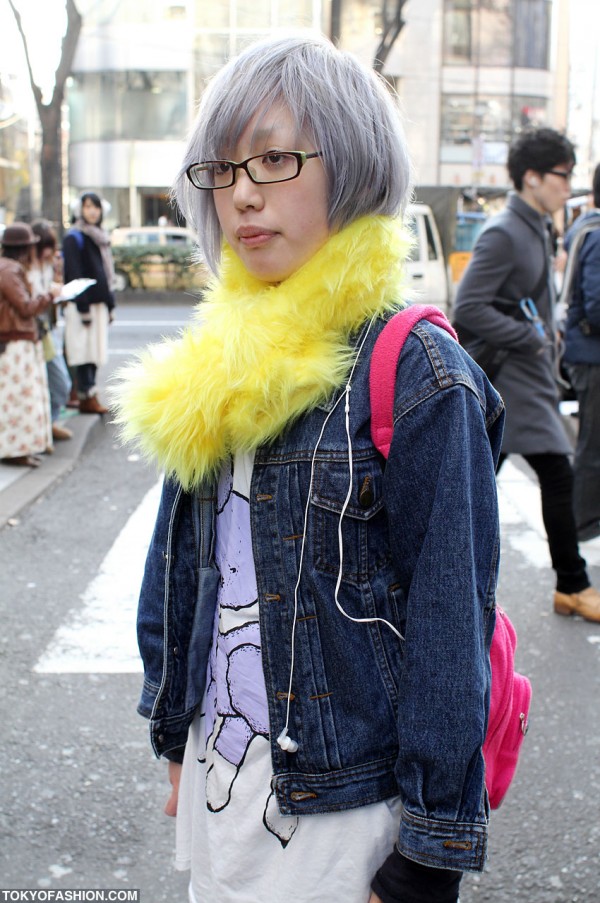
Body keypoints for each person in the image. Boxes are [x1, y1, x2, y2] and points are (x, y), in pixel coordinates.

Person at [113, 34, 504, 903]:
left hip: (345, 812)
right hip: (223, 795)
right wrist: (177, 737)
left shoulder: (417, 372)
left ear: (354, 168)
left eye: (276, 157)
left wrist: (430, 853)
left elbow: (451, 623)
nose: (242, 192)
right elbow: (183, 571)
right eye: (222, 168)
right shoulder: (219, 364)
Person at [453, 127, 600, 623]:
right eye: (562, 174)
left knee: (470, 483)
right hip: (510, 379)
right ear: (533, 177)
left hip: (526, 379)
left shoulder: (537, 225)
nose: (568, 184)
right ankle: (573, 584)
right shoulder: (505, 231)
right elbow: (467, 306)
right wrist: (529, 337)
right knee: (557, 474)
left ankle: (567, 585)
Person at [561, 163, 600, 542]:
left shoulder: (586, 228)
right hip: (591, 355)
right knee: (591, 443)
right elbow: (596, 303)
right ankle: (584, 524)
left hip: (584, 352)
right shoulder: (597, 234)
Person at [0, 222, 53, 467]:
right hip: (15, 341)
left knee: (16, 399)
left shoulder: (8, 268)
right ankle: (15, 451)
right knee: (18, 400)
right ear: (25, 248)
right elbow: (25, 307)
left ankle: (20, 449)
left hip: (15, 340)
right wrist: (52, 295)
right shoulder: (9, 270)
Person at [62, 191, 116, 414]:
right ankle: (86, 395)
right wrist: (83, 307)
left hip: (99, 304)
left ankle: (89, 395)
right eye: (87, 207)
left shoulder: (99, 236)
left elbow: (105, 274)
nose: (92, 211)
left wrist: (110, 304)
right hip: (84, 305)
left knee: (94, 352)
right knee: (83, 352)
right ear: (80, 210)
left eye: (95, 207)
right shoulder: (75, 237)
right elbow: (73, 274)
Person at [29, 220, 73, 443]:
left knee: (58, 382)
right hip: (35, 333)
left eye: (50, 245)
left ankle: (50, 423)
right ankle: (47, 426)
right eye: (43, 245)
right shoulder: (23, 268)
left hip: (46, 330)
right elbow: (29, 303)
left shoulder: (48, 265)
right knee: (55, 381)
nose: (48, 250)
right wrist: (50, 294)